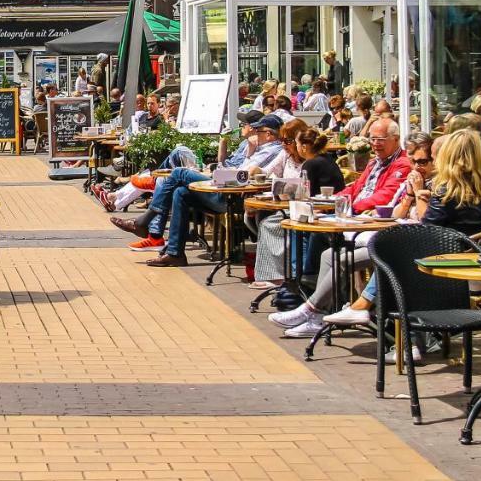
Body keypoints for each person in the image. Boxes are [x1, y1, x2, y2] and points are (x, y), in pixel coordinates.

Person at [267, 118, 411, 337]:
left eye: (380, 139)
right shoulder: (374, 163)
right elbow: (356, 188)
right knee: (326, 252)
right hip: (359, 221)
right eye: (372, 139)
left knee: (324, 244)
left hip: (377, 227)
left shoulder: (402, 165)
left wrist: (349, 207)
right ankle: (315, 311)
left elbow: (385, 196)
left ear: (396, 139)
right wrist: (333, 201)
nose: (375, 144)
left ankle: (309, 302)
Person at [119, 115, 285, 263]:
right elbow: (238, 169)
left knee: (178, 173)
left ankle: (145, 220)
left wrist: (227, 170)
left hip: (233, 197)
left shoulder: (272, 149)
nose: (254, 133)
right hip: (226, 187)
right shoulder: (259, 148)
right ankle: (175, 253)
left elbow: (245, 174)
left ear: (269, 134)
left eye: (258, 130)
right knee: (180, 193)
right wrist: (247, 152)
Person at [251, 127, 345, 289]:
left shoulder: (310, 164)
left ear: (304, 147)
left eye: (294, 142)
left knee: (270, 224)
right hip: (329, 209)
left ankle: (290, 275)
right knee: (272, 220)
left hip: (318, 211)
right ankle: (294, 274)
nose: (289, 145)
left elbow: (303, 194)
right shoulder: (327, 159)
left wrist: (284, 192)